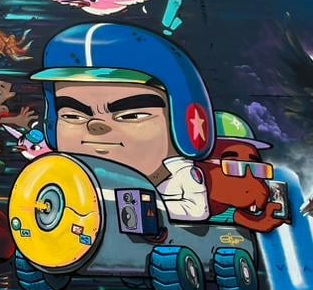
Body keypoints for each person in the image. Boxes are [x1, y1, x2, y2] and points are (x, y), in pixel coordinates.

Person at [31, 22, 215, 222]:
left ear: (182, 122)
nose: (96, 126)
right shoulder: (60, 183)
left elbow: (195, 211)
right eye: (73, 116)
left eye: (130, 116)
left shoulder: (179, 175)